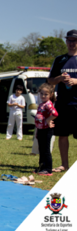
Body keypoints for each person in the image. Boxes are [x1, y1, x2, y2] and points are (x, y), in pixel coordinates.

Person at [47, 29, 77, 173]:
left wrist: (75, 81)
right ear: (66, 41)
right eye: (69, 40)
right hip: (63, 103)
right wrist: (59, 78)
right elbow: (50, 80)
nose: (72, 43)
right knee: (62, 134)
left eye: (74, 41)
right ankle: (64, 164)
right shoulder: (59, 60)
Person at [34, 83, 58, 176]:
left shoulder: (48, 104)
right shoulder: (41, 104)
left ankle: (48, 169)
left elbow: (55, 114)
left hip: (46, 130)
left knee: (46, 150)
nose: (43, 96)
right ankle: (41, 167)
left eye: (46, 94)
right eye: (42, 94)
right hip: (40, 129)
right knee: (41, 149)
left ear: (50, 95)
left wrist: (48, 120)